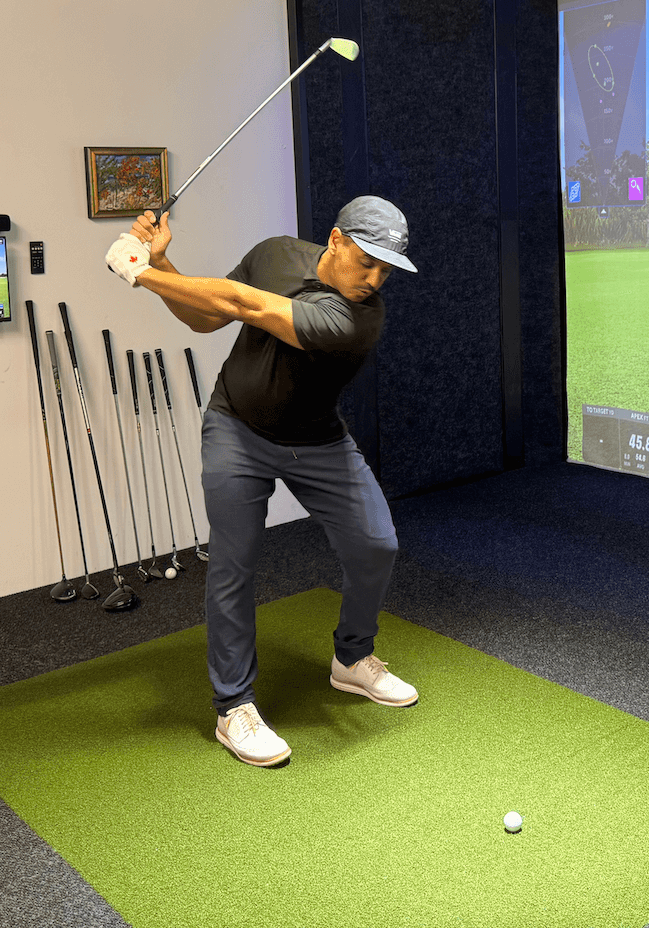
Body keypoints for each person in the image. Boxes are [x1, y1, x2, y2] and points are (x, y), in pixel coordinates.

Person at [106, 195, 418, 767]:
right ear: (336, 239)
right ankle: (234, 708)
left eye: (387, 269)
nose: (375, 279)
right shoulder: (274, 253)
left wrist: (140, 272)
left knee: (377, 544)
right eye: (366, 260)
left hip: (318, 440)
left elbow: (242, 303)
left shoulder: (356, 317)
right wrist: (161, 264)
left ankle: (352, 658)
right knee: (234, 562)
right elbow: (209, 316)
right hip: (237, 429)